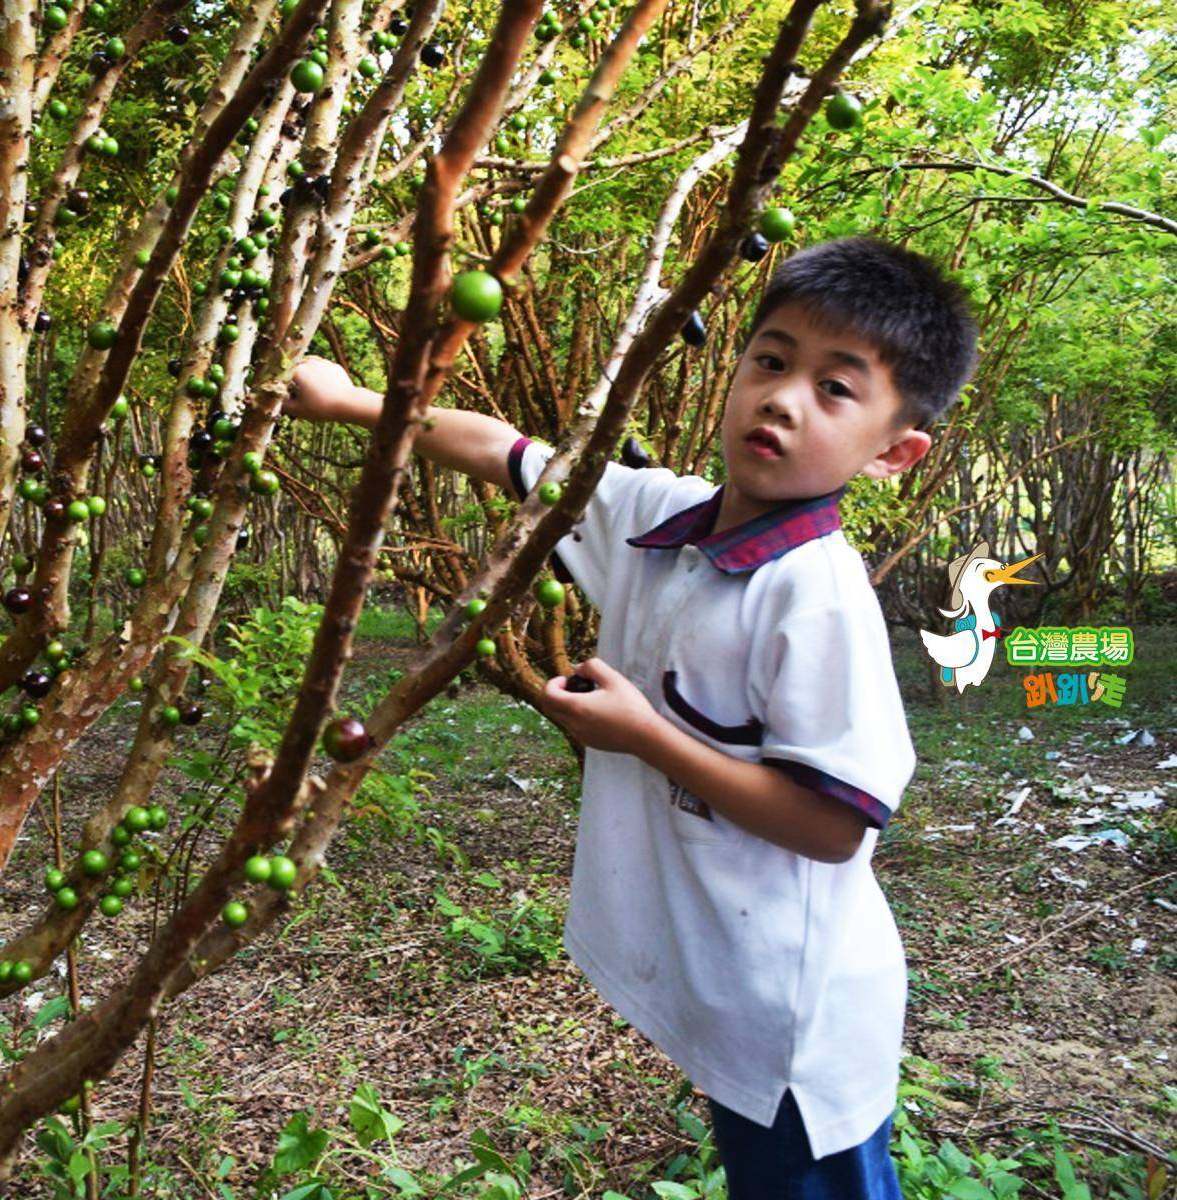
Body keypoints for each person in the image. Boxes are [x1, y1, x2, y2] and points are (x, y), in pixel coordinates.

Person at [284, 236, 979, 1199]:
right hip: (726, 981)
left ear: (896, 452)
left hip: (796, 1015)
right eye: (770, 361)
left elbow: (835, 823)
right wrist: (355, 403)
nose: (782, 398)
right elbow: (506, 452)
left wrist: (646, 732)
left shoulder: (817, 598)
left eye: (836, 389)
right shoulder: (662, 519)